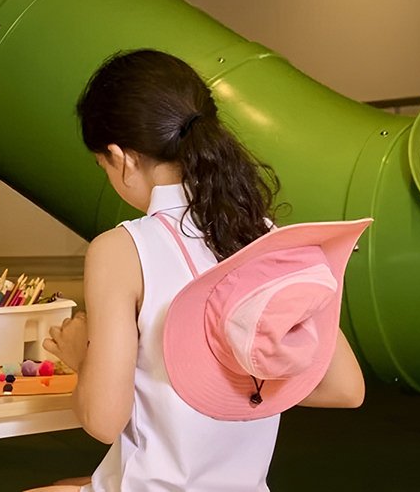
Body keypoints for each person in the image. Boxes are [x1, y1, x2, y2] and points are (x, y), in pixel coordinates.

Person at [28, 49, 369, 492]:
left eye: (103, 166)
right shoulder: (261, 234)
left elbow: (102, 421)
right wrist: (237, 386)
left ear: (121, 157)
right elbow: (345, 388)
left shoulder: (121, 249)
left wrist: (82, 357)